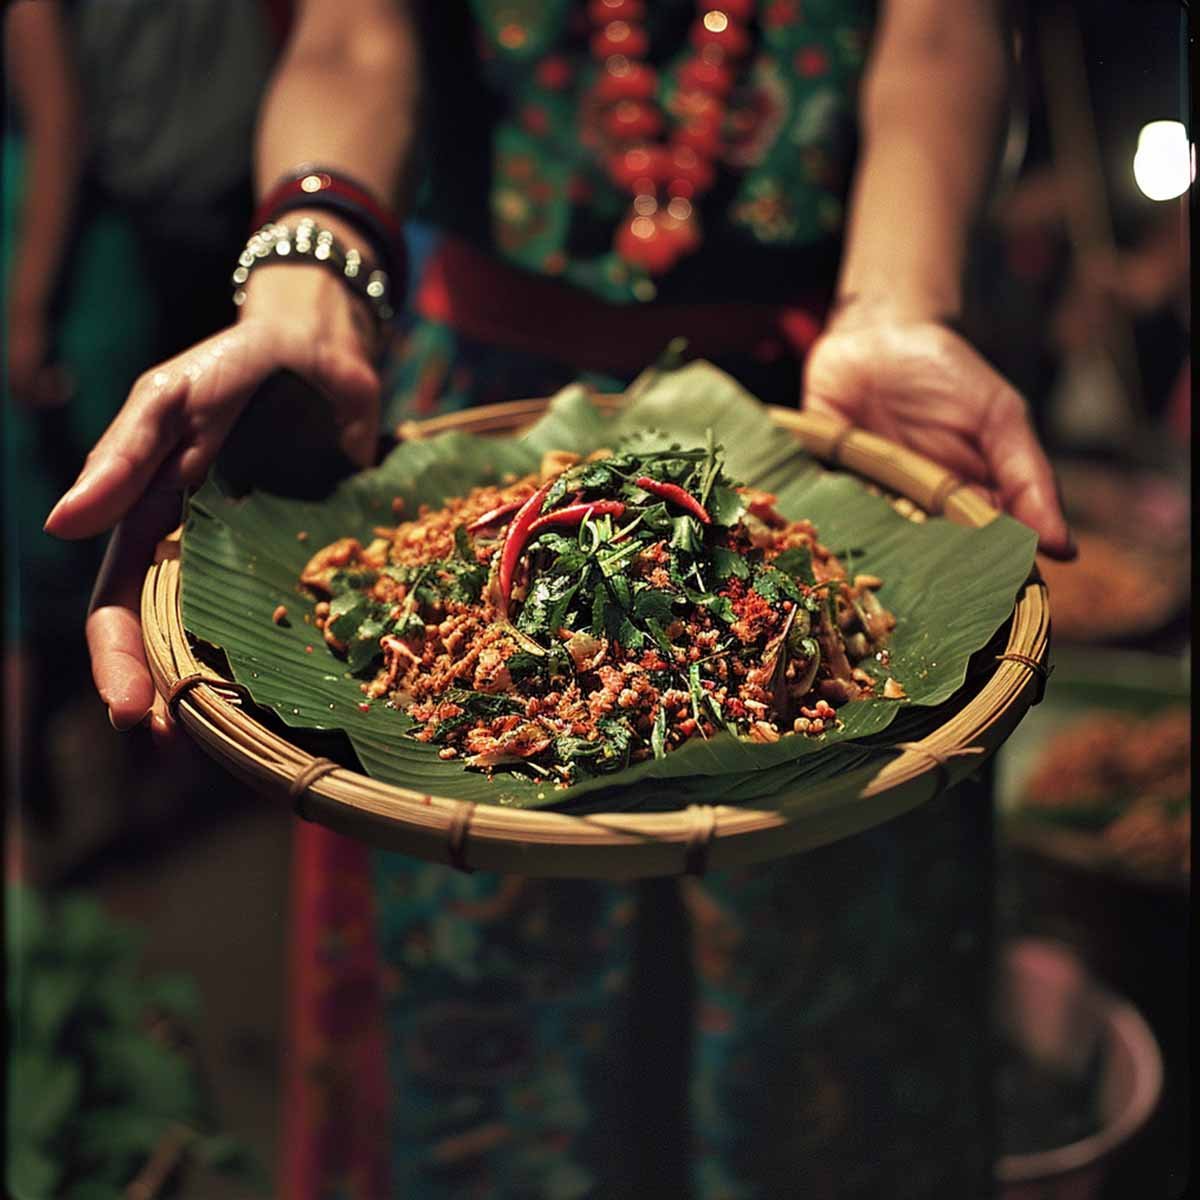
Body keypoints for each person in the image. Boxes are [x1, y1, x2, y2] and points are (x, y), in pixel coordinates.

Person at [45, 1, 1077, 1196]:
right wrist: (300, 288)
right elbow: (347, 39)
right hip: (475, 417)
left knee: (820, 1045)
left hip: (820, 414)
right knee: (500, 1038)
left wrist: (900, 302)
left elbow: (945, 30)